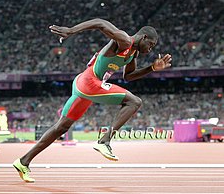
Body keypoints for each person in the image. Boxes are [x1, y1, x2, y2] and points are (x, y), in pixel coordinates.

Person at [13, 18, 172, 182]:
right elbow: (100, 22)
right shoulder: (124, 40)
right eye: (151, 44)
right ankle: (105, 141)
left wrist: (152, 68)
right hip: (89, 82)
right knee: (134, 102)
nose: (150, 49)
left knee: (61, 127)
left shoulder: (133, 54)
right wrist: (71, 30)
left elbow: (128, 76)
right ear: (143, 37)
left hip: (84, 84)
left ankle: (23, 161)